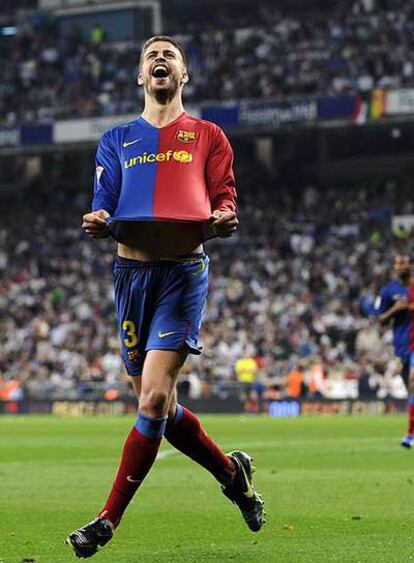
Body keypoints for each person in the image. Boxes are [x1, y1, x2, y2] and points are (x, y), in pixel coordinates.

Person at [66, 35, 265, 559]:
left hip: (182, 274)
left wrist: (223, 216)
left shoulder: (209, 136)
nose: (159, 58)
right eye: (150, 55)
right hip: (130, 276)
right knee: (160, 406)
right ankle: (233, 476)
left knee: (153, 398)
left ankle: (108, 521)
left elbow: (224, 198)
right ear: (139, 76)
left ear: (184, 74)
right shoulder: (116, 140)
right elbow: (104, 203)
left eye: (169, 54)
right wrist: (98, 220)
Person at [374, 254, 414, 448]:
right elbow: (380, 320)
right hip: (401, 347)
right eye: (396, 263)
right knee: (411, 391)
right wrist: (394, 310)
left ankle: (409, 435)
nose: (398, 266)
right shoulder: (389, 290)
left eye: (402, 262)